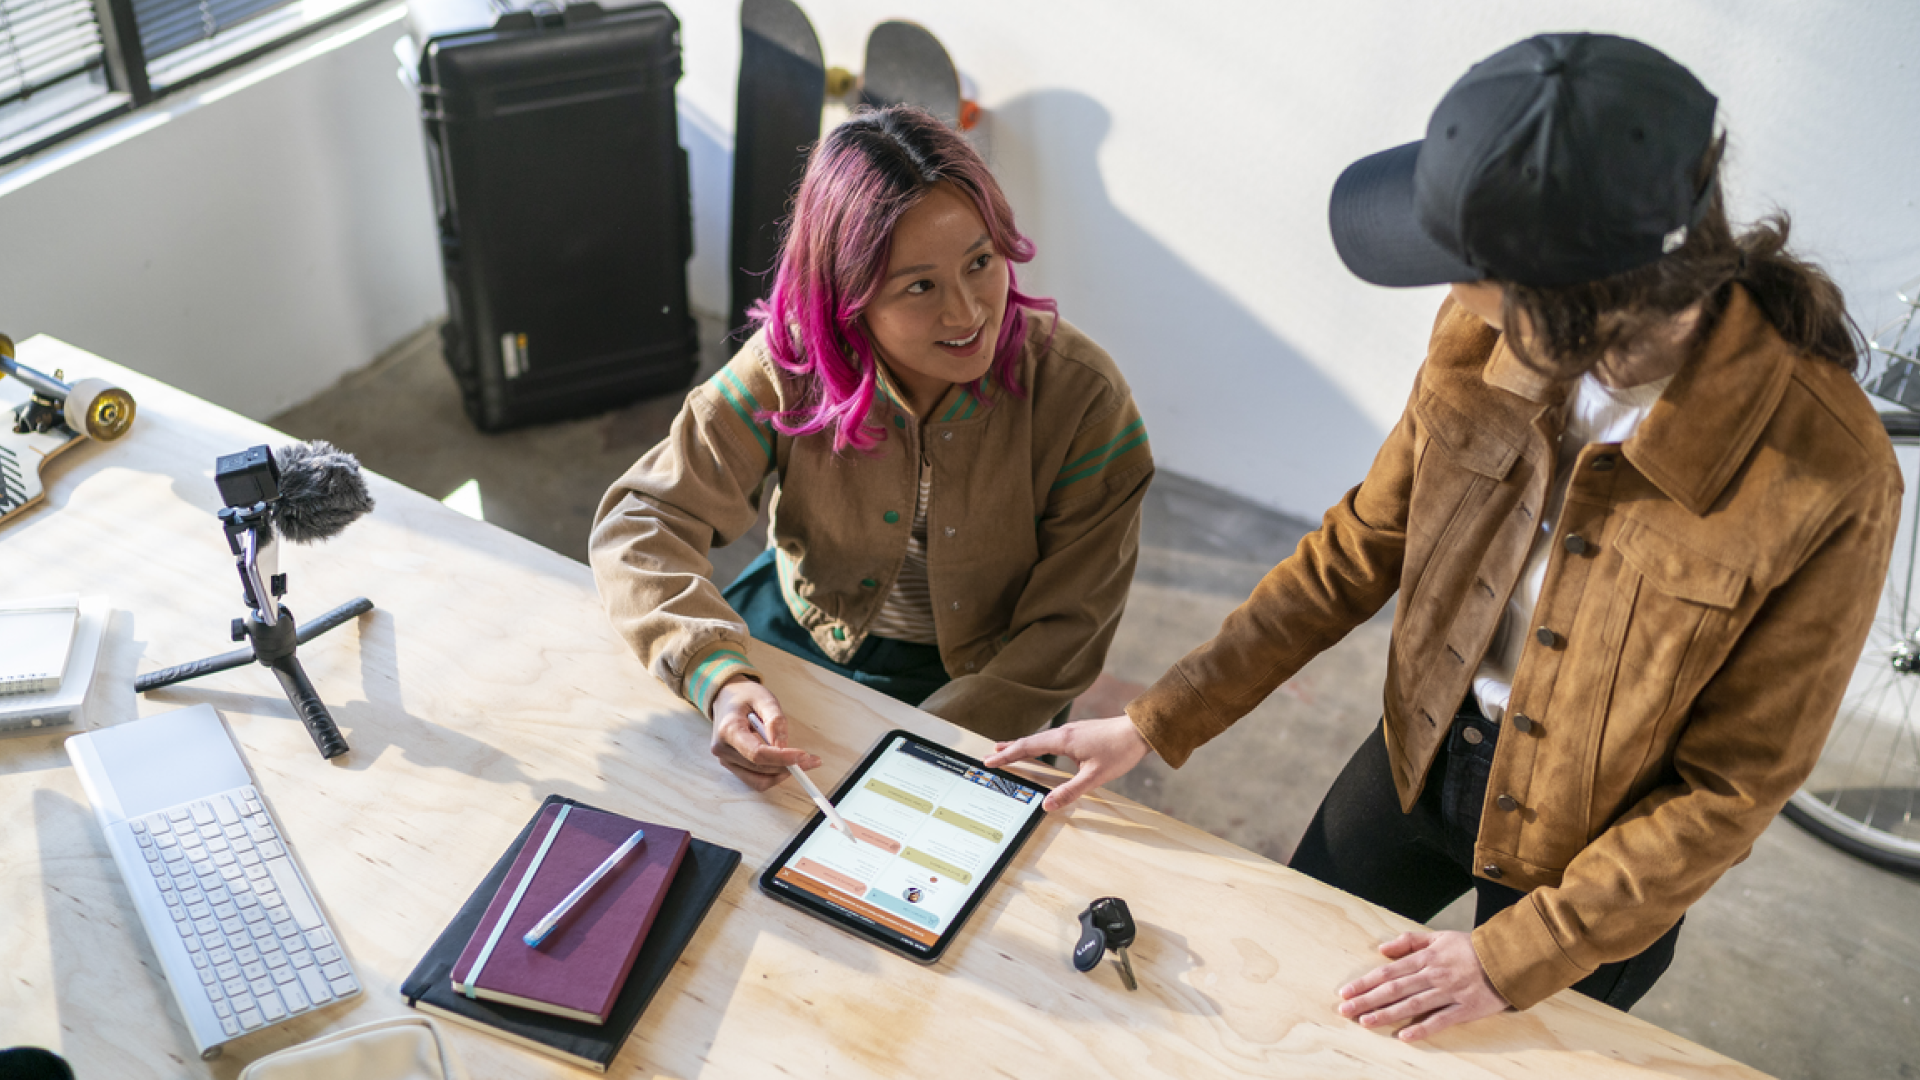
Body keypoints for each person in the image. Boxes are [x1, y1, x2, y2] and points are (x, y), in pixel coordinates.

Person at [989, 33, 1898, 1040]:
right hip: (1422, 753)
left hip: (1599, 861)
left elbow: (1733, 785)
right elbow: (1360, 548)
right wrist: (1159, 719)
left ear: (1565, 303)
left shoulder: (1833, 476)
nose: (1441, 298)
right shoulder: (1481, 338)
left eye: (1460, 271)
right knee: (1286, 1004)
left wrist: (1517, 959)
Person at [591, 105, 1153, 791]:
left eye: (981, 262)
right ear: (845, 297)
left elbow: (1067, 632)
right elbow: (641, 523)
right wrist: (718, 674)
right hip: (797, 635)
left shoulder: (1085, 400)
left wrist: (915, 752)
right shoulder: (791, 362)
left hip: (990, 682)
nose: (968, 312)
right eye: (919, 285)